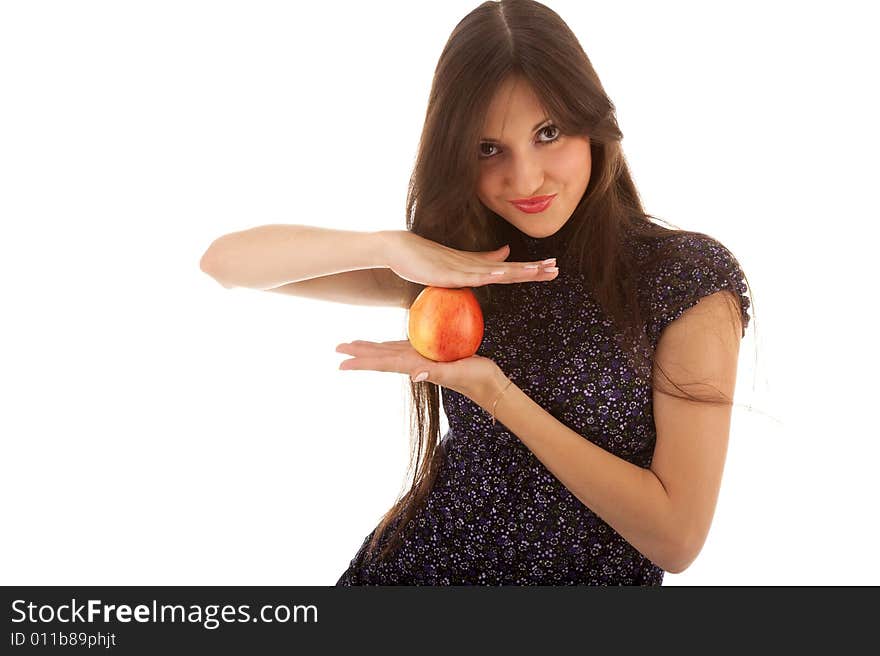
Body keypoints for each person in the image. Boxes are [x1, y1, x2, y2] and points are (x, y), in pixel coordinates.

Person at [199, 0, 752, 585]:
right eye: (490, 149)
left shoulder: (685, 279)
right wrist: (390, 246)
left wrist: (498, 395)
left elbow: (677, 538)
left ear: (593, 123)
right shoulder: (464, 265)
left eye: (549, 133)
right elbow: (226, 264)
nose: (526, 179)